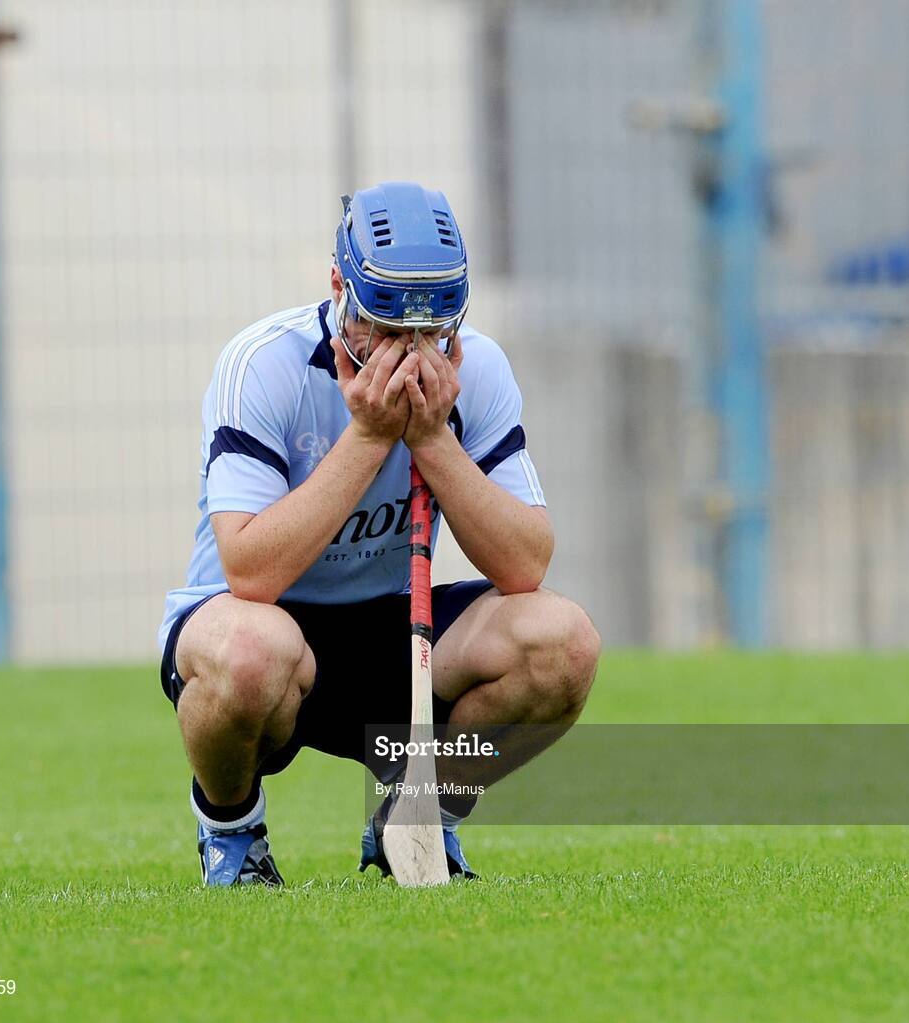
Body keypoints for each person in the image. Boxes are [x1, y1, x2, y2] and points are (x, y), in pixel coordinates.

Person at [158, 181, 601, 886]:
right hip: (261, 627)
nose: (412, 353)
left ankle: (418, 819)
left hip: (396, 628)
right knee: (249, 652)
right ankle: (232, 831)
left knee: (560, 644)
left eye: (433, 330)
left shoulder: (475, 366)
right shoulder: (262, 363)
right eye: (386, 329)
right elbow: (249, 571)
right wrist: (367, 437)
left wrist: (433, 440)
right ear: (338, 287)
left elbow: (525, 563)